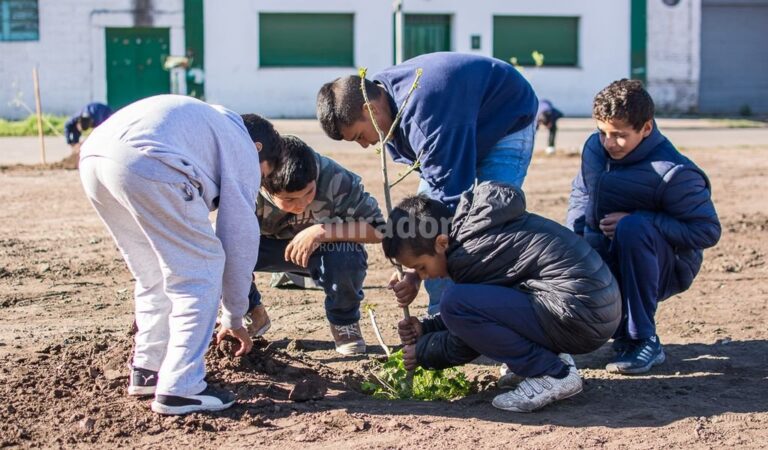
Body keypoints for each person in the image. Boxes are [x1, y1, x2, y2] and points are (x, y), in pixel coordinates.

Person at [79, 95, 282, 415]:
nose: (258, 182)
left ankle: (148, 368)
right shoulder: (242, 146)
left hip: (95, 156)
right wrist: (233, 317)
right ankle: (181, 386)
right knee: (201, 268)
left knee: (152, 272)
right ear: (258, 149)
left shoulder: (209, 123)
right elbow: (238, 240)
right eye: (264, 174)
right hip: (148, 160)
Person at [317, 52, 539, 315]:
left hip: (505, 119)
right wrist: (412, 263)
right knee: (425, 231)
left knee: (486, 227)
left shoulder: (425, 118)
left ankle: (481, 316)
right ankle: (442, 315)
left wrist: (414, 270)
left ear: (369, 110)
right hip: (457, 129)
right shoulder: (381, 97)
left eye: (359, 136)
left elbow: (447, 204)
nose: (365, 144)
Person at [383, 182, 621, 412]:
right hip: (589, 309)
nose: (424, 276)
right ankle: (550, 361)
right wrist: (427, 328)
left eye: (422, 267)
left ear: (441, 243)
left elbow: (468, 337)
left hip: (580, 315)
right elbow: (490, 308)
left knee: (454, 301)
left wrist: (424, 351)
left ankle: (553, 373)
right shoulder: (475, 232)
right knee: (459, 303)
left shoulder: (470, 255)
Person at [566, 79, 721, 375]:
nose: (609, 143)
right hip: (606, 251)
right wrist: (575, 243)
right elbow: (581, 192)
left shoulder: (674, 173)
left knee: (633, 229)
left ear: (646, 128)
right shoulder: (595, 149)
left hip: (663, 264)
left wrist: (640, 219)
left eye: (620, 135)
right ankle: (621, 333)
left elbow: (707, 231)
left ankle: (645, 340)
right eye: (603, 133)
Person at [247, 135, 385, 355]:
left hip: (323, 251)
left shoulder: (335, 177)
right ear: (266, 189)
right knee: (218, 249)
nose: (302, 204)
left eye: (309, 193)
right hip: (265, 248)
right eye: (290, 200)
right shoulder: (248, 183)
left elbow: (379, 229)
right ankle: (251, 311)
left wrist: (322, 232)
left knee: (347, 253)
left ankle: (344, 323)